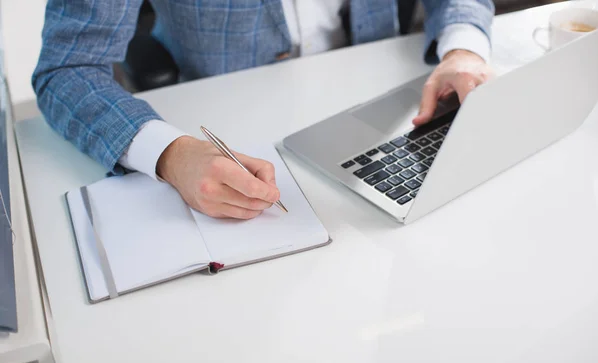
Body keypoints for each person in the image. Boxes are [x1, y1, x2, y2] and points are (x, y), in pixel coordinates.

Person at [32, 0, 494, 220]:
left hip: (384, 106)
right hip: (232, 127)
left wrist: (464, 46)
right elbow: (67, 68)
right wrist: (170, 154)